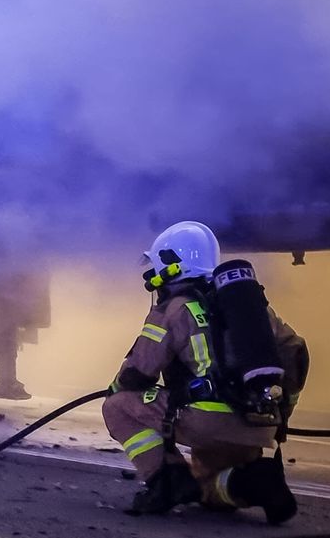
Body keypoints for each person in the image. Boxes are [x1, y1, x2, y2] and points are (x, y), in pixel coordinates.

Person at [103, 221, 309, 523]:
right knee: (208, 489)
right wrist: (282, 413)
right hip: (259, 424)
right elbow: (296, 351)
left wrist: (116, 387)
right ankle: (255, 482)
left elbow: (139, 372)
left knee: (118, 406)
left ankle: (166, 482)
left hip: (206, 422)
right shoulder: (248, 308)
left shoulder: (173, 308)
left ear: (172, 265)